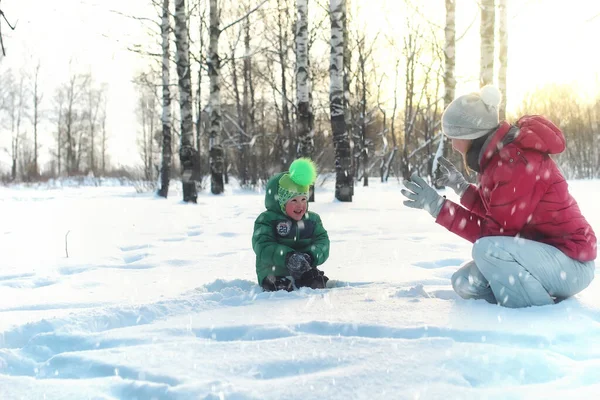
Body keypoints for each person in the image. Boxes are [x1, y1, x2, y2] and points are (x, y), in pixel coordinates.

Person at [400, 85, 597, 308]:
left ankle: (539, 316)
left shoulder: (516, 162)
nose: (453, 146)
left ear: (472, 136)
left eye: (454, 137)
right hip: (540, 256)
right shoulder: (497, 160)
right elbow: (500, 215)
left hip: (571, 263)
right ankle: (520, 301)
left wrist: (437, 207)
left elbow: (494, 235)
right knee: (465, 282)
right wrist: (463, 189)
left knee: (487, 250)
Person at [252, 158, 330, 291]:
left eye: (303, 199)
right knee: (280, 287)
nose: (300, 205)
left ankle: (308, 279)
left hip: (304, 269)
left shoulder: (312, 220)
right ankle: (278, 283)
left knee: (316, 284)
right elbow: (263, 245)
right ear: (281, 203)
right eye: (293, 200)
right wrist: (288, 257)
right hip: (272, 271)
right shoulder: (267, 219)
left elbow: (322, 242)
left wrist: (310, 256)